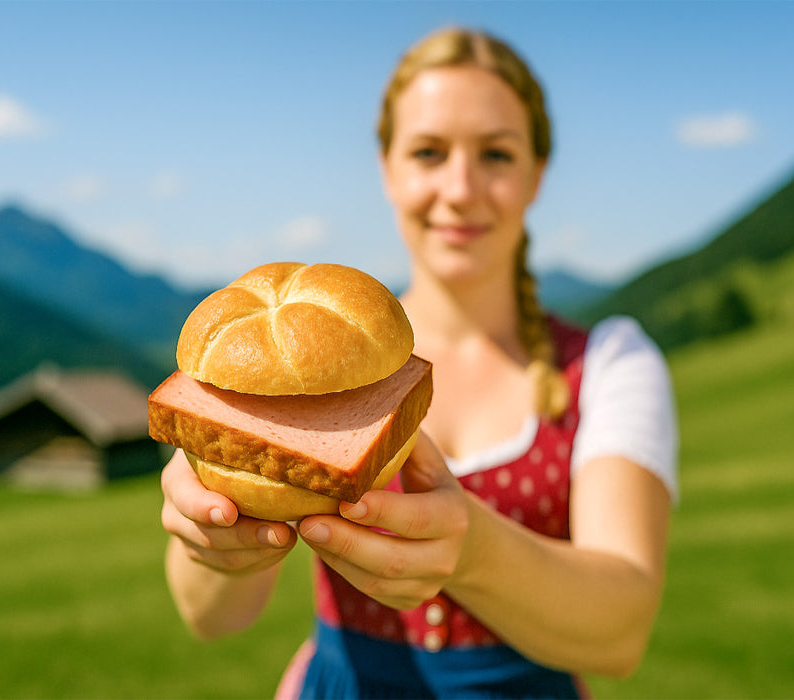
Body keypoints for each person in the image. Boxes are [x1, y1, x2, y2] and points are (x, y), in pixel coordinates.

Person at [160, 26, 678, 699]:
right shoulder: (313, 371)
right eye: (428, 152)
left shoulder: (608, 362)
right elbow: (209, 617)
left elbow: (620, 632)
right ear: (387, 169)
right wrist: (216, 536)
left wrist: (473, 550)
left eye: (495, 154)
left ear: (535, 175)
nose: (460, 189)